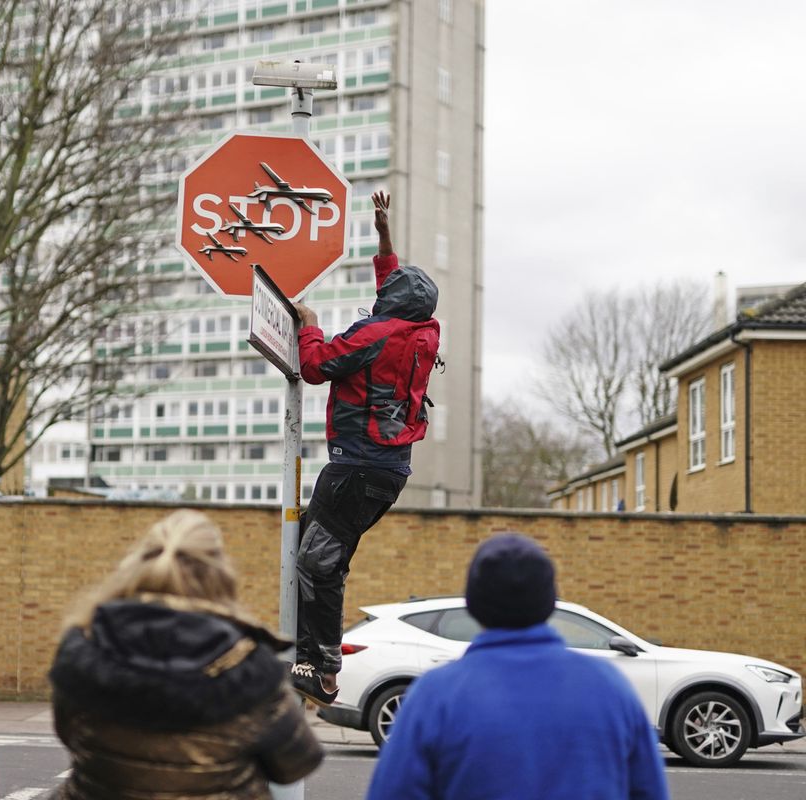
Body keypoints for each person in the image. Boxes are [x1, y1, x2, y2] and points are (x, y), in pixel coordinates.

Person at [365, 533, 669, 800]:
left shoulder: (435, 696)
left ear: (473, 604)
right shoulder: (610, 688)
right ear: (549, 602)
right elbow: (649, 791)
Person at [48, 510, 324, 800]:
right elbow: (295, 762)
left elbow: (69, 734)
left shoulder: (83, 650)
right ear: (220, 574)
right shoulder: (250, 666)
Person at [290, 191, 440, 704]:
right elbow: (392, 289)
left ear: (390, 304)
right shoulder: (422, 330)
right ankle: (308, 648)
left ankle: (320, 667)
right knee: (315, 546)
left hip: (356, 465)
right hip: (388, 469)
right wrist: (383, 234)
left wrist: (309, 328)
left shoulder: (374, 335)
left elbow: (315, 367)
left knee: (320, 561)